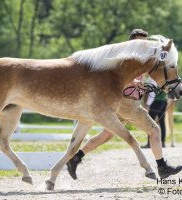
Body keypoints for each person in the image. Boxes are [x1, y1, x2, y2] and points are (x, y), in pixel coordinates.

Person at [66, 29, 182, 180]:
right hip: (127, 104)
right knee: (154, 130)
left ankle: (75, 159)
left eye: (145, 42)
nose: (143, 45)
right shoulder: (125, 58)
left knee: (106, 135)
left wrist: (145, 85)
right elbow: (116, 78)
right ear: (132, 41)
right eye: (140, 41)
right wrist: (135, 83)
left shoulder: (141, 60)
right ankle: (162, 167)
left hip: (125, 102)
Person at [142, 78, 167, 148]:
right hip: (164, 101)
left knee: (150, 122)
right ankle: (163, 142)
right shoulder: (163, 77)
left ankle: (149, 143)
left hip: (156, 102)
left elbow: (152, 94)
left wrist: (147, 104)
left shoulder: (153, 78)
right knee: (162, 122)